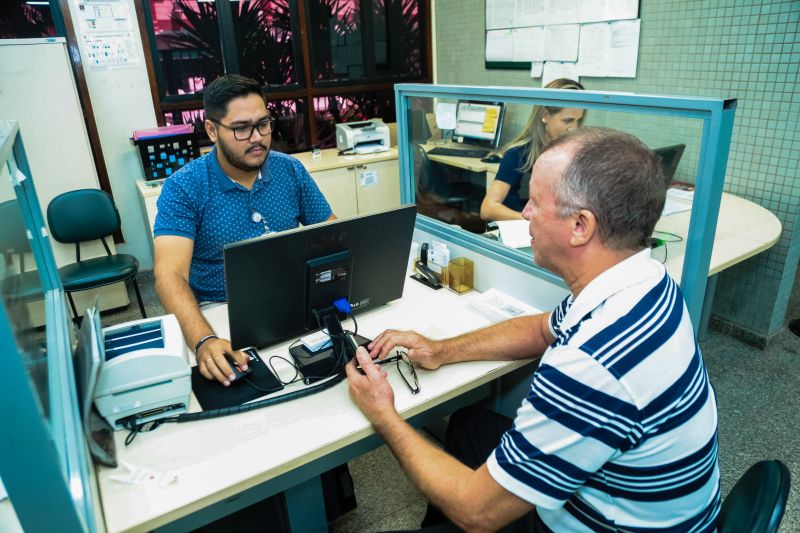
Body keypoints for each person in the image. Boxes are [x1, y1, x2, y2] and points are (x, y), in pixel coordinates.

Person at [346, 127, 721, 531]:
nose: (524, 212)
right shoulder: (644, 279)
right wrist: (441, 349)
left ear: (580, 225)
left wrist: (383, 413)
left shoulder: (590, 364)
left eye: (536, 202)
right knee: (470, 426)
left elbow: (477, 512)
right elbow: (543, 329)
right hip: (657, 511)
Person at [154, 74, 335, 386]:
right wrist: (203, 339)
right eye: (241, 128)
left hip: (294, 301)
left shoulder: (289, 169)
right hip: (221, 313)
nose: (257, 137)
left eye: (263, 124)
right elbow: (169, 275)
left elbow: (332, 234)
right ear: (212, 130)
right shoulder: (184, 186)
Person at [480, 78, 585, 222]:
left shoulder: (571, 154)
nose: (574, 128)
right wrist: (532, 221)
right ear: (545, 115)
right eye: (567, 121)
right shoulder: (517, 154)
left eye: (578, 121)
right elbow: (487, 209)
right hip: (521, 227)